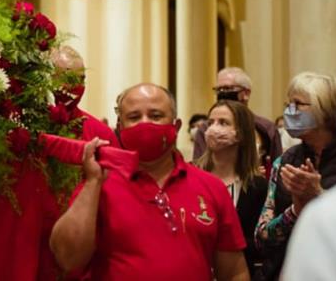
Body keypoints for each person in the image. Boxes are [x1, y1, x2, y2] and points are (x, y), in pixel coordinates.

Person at [49, 83, 248, 280]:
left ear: (176, 126)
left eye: (156, 116)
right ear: (119, 128)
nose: (145, 124)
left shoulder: (211, 187)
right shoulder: (100, 182)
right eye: (134, 117)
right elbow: (67, 258)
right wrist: (93, 183)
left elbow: (234, 272)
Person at [254, 72, 336, 280]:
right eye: (288, 104)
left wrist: (319, 195)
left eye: (298, 104)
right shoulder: (284, 162)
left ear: (327, 112)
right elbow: (261, 240)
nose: (288, 111)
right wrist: (295, 210)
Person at [195, 100, 268, 277]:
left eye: (223, 123)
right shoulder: (190, 175)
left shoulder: (257, 186)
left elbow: (258, 243)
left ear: (240, 134)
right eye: (210, 122)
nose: (213, 129)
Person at [193, 67, 283, 171]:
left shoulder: (266, 128)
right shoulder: (206, 128)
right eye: (219, 89)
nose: (222, 93)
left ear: (246, 93)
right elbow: (198, 168)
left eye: (227, 88)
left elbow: (276, 168)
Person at [50, 45, 118, 145]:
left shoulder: (102, 134)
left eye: (81, 80)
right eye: (69, 79)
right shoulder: (26, 129)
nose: (77, 86)